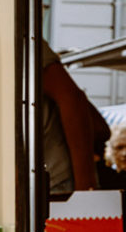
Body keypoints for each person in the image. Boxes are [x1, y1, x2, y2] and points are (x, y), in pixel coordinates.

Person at [40, 40, 112, 195]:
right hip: (56, 179)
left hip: (58, 181)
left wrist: (85, 187)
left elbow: (71, 99)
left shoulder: (21, 39)